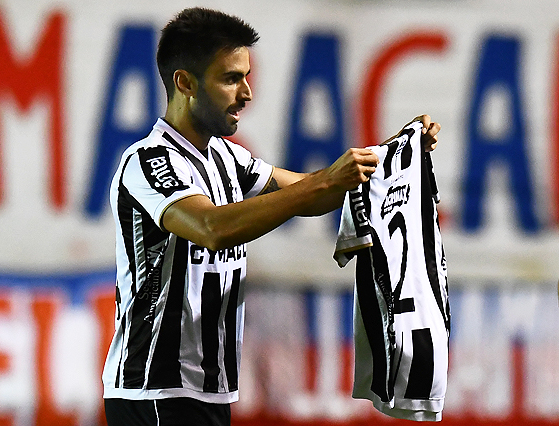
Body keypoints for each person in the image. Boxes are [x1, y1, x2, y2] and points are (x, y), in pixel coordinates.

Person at [102, 7, 441, 426]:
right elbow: (212, 228)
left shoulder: (226, 157)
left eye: (246, 77)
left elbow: (314, 194)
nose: (246, 93)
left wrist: (393, 154)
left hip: (207, 390)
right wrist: (325, 181)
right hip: (153, 391)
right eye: (231, 78)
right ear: (185, 82)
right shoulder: (148, 160)